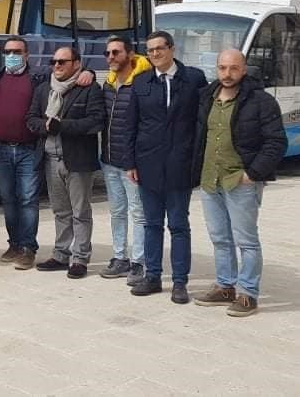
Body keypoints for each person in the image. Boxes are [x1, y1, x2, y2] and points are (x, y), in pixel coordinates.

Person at [191, 49, 286, 317]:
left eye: (233, 68)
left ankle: (248, 293)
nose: (227, 74)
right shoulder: (206, 97)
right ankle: (225, 286)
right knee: (220, 238)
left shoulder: (261, 101)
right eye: (222, 68)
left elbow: (276, 142)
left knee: (246, 241)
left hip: (241, 182)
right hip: (211, 180)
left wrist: (252, 174)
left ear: (244, 70)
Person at [0, 36, 93, 271]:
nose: (12, 56)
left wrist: (90, 73)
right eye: (8, 51)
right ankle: (14, 244)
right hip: (1, 148)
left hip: (28, 149)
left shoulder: (39, 77)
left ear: (27, 54)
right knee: (7, 199)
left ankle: (28, 248)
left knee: (27, 199)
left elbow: (68, 75)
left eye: (17, 51)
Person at [123, 30, 207, 304]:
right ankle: (153, 276)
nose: (155, 54)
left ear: (172, 48)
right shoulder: (141, 81)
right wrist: (130, 163)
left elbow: (201, 122)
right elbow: (131, 125)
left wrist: (197, 159)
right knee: (152, 224)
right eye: (150, 50)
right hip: (148, 165)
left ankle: (180, 282)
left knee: (179, 225)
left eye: (159, 48)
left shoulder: (193, 78)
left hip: (180, 164)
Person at [26, 47, 104, 279]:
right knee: (60, 211)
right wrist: (46, 126)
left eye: (62, 61)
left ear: (76, 63)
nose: (57, 66)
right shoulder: (43, 89)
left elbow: (95, 121)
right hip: (50, 159)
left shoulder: (89, 88)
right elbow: (31, 119)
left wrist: (63, 125)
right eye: (54, 61)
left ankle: (80, 258)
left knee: (80, 211)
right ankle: (61, 254)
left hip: (77, 160)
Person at [98, 36, 151, 284]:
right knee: (117, 212)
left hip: (133, 164)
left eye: (116, 53)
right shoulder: (108, 84)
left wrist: (137, 160)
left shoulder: (143, 83)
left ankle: (139, 262)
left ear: (129, 54)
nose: (110, 58)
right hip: (109, 160)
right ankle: (120, 258)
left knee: (138, 213)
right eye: (108, 53)